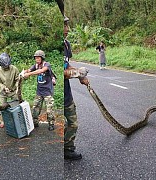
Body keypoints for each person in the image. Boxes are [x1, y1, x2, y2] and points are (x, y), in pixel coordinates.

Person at [64, 16, 89, 160]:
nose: (67, 29)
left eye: (67, 25)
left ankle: (67, 148)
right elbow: (62, 72)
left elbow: (67, 66)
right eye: (64, 26)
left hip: (68, 95)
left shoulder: (66, 45)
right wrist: (78, 73)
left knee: (73, 124)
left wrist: (80, 76)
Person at [22, 50, 55, 131]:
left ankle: (51, 124)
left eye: (38, 58)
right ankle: (35, 122)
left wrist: (29, 74)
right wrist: (23, 72)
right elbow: (29, 70)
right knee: (35, 107)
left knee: (49, 109)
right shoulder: (35, 65)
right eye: (36, 58)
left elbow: (41, 71)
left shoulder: (47, 65)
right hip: (39, 91)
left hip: (48, 91)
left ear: (42, 58)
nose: (37, 59)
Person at [0, 53, 19, 128]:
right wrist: (3, 87)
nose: (6, 67)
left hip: (13, 91)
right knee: (3, 106)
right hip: (3, 92)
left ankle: (16, 119)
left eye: (7, 66)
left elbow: (18, 79)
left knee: (16, 106)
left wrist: (17, 86)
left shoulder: (14, 69)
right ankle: (4, 120)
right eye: (4, 66)